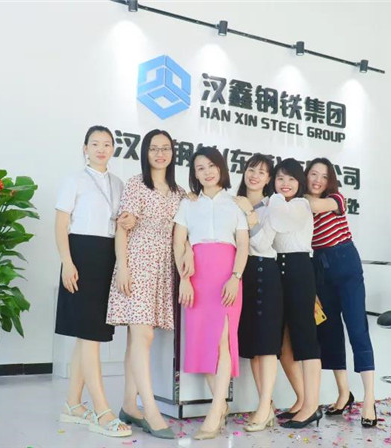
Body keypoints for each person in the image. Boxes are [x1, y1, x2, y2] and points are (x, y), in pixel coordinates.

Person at [106, 129, 186, 439]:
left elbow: (183, 232)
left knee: (136, 339)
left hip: (163, 267)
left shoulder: (179, 192)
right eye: (154, 148)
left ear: (172, 153)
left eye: (165, 148)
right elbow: (122, 228)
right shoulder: (136, 184)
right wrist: (123, 268)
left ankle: (129, 405)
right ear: (145, 153)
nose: (160, 154)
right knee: (143, 334)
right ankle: (150, 410)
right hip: (137, 262)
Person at [54, 125, 131, 438]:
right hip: (81, 256)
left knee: (89, 334)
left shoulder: (119, 183)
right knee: (89, 336)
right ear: (85, 148)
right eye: (95, 143)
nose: (101, 149)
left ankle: (73, 404)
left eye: (107, 144)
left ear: (113, 149)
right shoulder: (74, 180)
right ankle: (102, 410)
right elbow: (61, 224)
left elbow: (123, 222)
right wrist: (67, 262)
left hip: (108, 257)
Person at [173, 147, 249, 440]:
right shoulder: (188, 204)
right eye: (199, 168)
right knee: (203, 343)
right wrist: (184, 279)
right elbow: (179, 242)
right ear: (194, 174)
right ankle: (220, 405)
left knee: (222, 342)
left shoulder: (235, 204)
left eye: (211, 166)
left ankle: (215, 411)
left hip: (227, 276)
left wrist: (235, 277)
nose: (206, 172)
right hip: (196, 277)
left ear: (221, 168)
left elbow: (243, 246)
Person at [304, 157, 377, 428]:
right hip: (319, 266)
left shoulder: (335, 199)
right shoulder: (299, 205)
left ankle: (369, 399)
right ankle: (344, 393)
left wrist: (292, 199)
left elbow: (314, 205)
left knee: (357, 329)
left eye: (324, 176)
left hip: (345, 261)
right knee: (330, 331)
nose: (318, 180)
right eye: (313, 174)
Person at [267, 158, 324, 429]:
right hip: (277, 270)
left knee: (306, 339)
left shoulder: (301, 204)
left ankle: (312, 406)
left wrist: (272, 201)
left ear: (299, 182)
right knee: (284, 344)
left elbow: (281, 223)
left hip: (300, 269)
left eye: (291, 178)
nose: (285, 183)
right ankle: (302, 400)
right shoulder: (274, 203)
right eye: (280, 178)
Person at [230, 154, 283, 432]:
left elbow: (263, 243)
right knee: (251, 347)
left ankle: (263, 408)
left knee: (267, 346)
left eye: (262, 172)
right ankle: (267, 405)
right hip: (241, 275)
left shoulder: (273, 205)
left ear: (268, 179)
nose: (255, 176)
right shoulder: (231, 202)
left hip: (264, 272)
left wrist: (249, 215)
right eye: (252, 169)